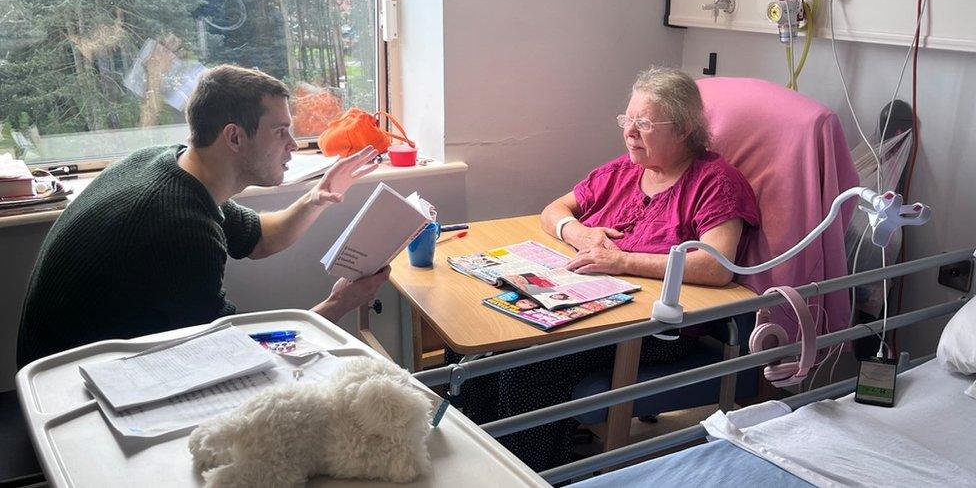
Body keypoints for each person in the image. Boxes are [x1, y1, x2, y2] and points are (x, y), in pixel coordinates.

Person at [458, 67, 760, 471]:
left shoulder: (715, 183)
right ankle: (475, 463)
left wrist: (621, 261)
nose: (630, 133)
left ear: (685, 128)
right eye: (628, 121)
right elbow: (554, 210)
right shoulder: (623, 171)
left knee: (527, 367)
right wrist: (578, 233)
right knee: (479, 347)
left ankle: (532, 474)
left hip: (655, 328)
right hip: (588, 304)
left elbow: (715, 265)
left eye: (645, 123)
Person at [17, 65, 389, 367]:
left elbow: (259, 239)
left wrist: (318, 197)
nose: (292, 145)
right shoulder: (178, 225)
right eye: (281, 132)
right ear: (234, 137)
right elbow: (238, 356)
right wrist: (340, 303)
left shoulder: (170, 165)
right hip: (72, 393)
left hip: (70, 369)